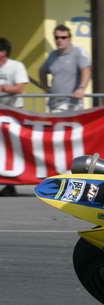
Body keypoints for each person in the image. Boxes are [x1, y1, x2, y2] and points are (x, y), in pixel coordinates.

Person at [39, 24, 91, 112]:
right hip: (54, 103)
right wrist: (45, 87)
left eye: (63, 37)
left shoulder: (78, 52)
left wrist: (81, 88)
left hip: (71, 104)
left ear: (69, 39)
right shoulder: (52, 55)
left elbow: (86, 70)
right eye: (57, 37)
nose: (59, 40)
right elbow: (42, 71)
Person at [0, 37, 28, 196]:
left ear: (3, 52)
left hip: (14, 114)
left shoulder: (16, 66)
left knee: (13, 149)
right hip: (0, 114)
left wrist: (3, 88)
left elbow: (20, 88)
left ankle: (11, 184)